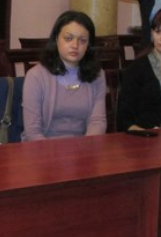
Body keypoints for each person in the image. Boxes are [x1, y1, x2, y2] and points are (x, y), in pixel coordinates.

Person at [22, 10, 107, 141]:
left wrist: (87, 148)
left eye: (82, 40)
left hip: (84, 147)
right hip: (42, 148)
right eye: (68, 38)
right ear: (56, 39)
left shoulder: (98, 75)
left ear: (88, 45)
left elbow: (97, 122)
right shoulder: (36, 76)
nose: (75, 45)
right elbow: (32, 131)